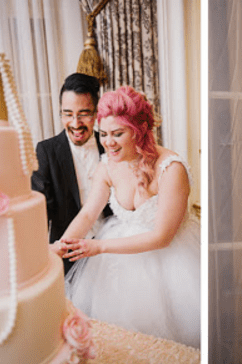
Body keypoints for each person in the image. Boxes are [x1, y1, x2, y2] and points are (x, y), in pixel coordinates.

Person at [50, 85, 201, 348]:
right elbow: (87, 215)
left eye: (117, 133)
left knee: (167, 344)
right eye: (104, 134)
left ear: (139, 130)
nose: (108, 142)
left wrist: (99, 246)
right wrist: (60, 246)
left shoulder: (171, 168)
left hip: (171, 259)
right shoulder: (107, 164)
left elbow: (162, 237)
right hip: (116, 261)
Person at [32, 73, 112, 274]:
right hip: (69, 258)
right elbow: (40, 211)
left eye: (83, 113)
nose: (75, 123)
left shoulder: (112, 146)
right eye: (67, 114)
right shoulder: (46, 151)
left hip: (114, 250)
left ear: (96, 114)